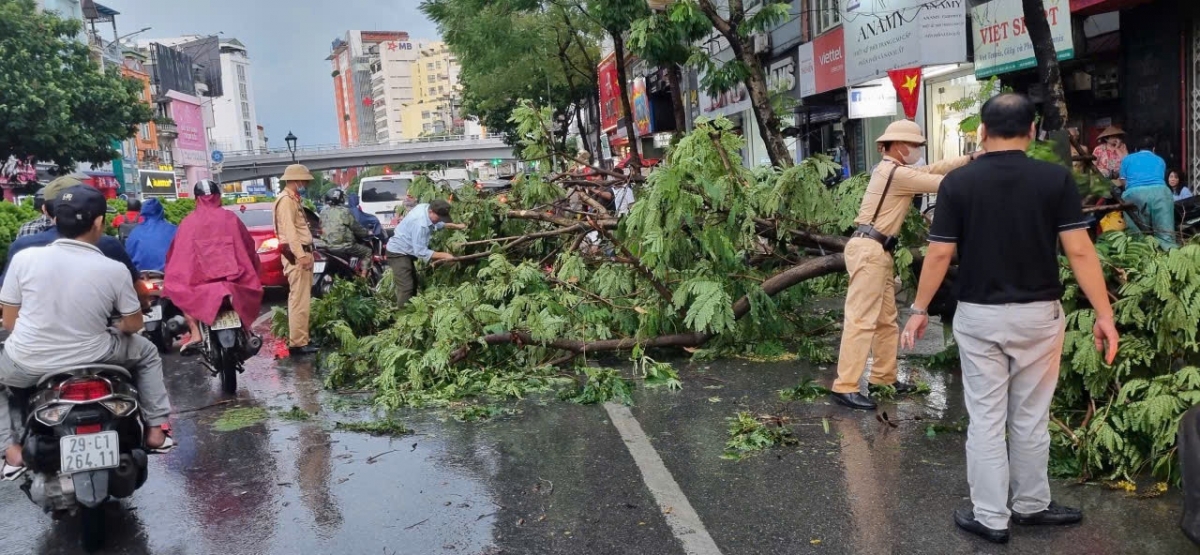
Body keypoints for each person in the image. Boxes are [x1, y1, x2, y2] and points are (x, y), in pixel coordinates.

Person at [900, 93, 1119, 545]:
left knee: (985, 419)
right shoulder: (1055, 179)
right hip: (1039, 317)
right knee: (1031, 417)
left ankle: (992, 518)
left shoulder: (958, 185)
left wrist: (918, 310)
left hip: (979, 316)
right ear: (1032, 131)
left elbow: (939, 252)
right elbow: (1079, 249)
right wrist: (1105, 314)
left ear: (982, 131)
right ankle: (1031, 505)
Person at [1, 185, 175, 480]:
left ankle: (10, 450)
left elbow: (9, 321)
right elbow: (134, 325)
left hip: (30, 361)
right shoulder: (112, 268)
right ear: (98, 222)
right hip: (97, 356)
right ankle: (156, 430)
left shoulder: (23, 259)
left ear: (54, 219)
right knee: (146, 351)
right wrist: (117, 327)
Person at [830, 119, 977, 411]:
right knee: (861, 321)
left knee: (885, 320)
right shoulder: (894, 173)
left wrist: (970, 158)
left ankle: (884, 378)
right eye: (914, 145)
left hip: (877, 251)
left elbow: (929, 170)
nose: (917, 150)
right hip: (870, 251)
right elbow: (944, 183)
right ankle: (844, 386)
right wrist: (982, 170)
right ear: (898, 146)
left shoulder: (893, 170)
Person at [164, 180, 263, 354]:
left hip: (200, 287)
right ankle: (246, 330)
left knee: (179, 289)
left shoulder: (188, 222)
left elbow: (176, 255)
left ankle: (195, 333)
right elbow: (248, 246)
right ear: (218, 197)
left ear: (196, 199)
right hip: (234, 283)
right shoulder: (230, 218)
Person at [4, 177, 137, 284]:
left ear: (44, 210)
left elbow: (6, 299)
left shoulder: (20, 248)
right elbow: (136, 292)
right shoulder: (108, 245)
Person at [385, 199, 466, 307]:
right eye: (439, 218)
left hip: (407, 250)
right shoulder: (420, 224)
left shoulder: (426, 208)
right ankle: (402, 317)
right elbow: (421, 252)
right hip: (398, 252)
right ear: (431, 212)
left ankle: (411, 310)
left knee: (413, 284)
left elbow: (438, 223)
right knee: (407, 287)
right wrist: (445, 255)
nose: (439, 220)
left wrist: (456, 226)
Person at [273, 164, 318, 356]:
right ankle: (298, 343)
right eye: (304, 180)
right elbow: (290, 232)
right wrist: (300, 255)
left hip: (301, 253)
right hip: (296, 255)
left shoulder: (292, 199)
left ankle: (301, 338)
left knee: (301, 299)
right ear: (297, 180)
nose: (306, 184)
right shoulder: (286, 201)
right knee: (298, 299)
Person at [1121, 136, 1178, 249]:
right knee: (1165, 232)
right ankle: (1170, 258)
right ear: (1153, 149)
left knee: (1136, 234)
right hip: (1161, 193)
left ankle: (1139, 258)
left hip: (1134, 194)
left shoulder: (1127, 159)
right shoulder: (1160, 160)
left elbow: (1123, 182)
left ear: (1136, 149)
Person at [319, 188, 373, 276]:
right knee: (367, 252)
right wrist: (367, 233)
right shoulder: (345, 211)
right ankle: (363, 280)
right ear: (341, 199)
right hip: (345, 246)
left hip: (328, 247)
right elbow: (356, 228)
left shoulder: (323, 212)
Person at [125, 198, 177, 272]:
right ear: (161, 211)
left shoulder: (135, 232)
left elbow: (128, 255)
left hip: (141, 275)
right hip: (168, 274)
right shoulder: (174, 229)